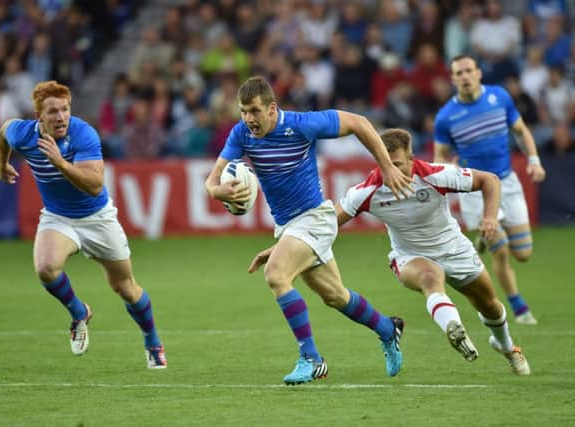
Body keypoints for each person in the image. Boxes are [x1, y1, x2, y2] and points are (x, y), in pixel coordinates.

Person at [205, 76, 413, 385]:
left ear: (272, 108)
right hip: (289, 226)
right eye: (243, 111)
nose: (249, 118)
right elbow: (213, 179)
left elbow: (359, 123)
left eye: (254, 111)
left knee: (276, 275)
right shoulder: (242, 134)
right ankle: (387, 328)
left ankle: (312, 359)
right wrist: (216, 191)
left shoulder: (302, 125)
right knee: (335, 296)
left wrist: (385, 166)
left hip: (315, 218)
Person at [0, 81, 167, 369]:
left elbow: (95, 185)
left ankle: (152, 340)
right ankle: (79, 313)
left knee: (125, 287)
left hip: (97, 218)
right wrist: (2, 163)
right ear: (39, 117)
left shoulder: (83, 133)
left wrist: (61, 163)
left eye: (65, 109)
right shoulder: (23, 134)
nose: (61, 117)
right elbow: (3, 132)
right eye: (52, 112)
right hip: (58, 217)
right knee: (45, 268)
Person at [336, 128, 530, 375]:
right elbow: (327, 223)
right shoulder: (366, 190)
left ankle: (506, 346)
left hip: (454, 250)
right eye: (386, 164)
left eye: (398, 164)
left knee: (489, 305)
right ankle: (453, 327)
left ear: (412, 160)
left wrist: (490, 217)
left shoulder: (434, 175)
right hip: (409, 256)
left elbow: (489, 180)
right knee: (430, 277)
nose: (392, 171)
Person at [434, 54, 546, 325]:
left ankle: (484, 238)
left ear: (478, 73)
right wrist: (447, 168)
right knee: (502, 250)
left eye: (469, 71)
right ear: (453, 78)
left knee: (524, 254)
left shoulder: (500, 97)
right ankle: (519, 308)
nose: (465, 76)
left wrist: (534, 160)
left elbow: (520, 130)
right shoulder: (446, 117)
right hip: (476, 191)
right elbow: (440, 155)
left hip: (508, 184)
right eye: (459, 73)